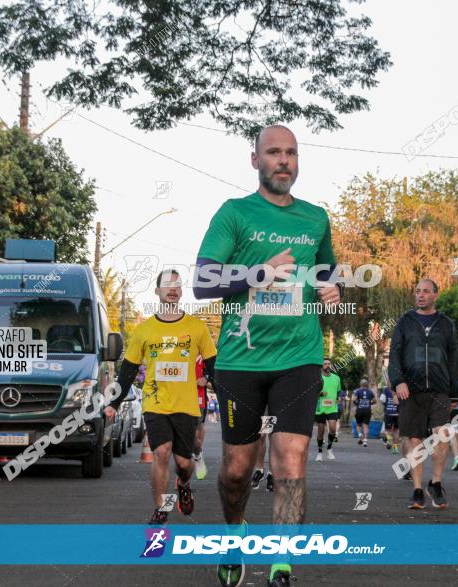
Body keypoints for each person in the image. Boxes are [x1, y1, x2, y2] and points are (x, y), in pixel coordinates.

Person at [194, 124, 343, 587]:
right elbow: (203, 282)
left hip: (299, 357)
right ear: (255, 159)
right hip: (242, 361)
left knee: (291, 458)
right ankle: (234, 534)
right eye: (274, 152)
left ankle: (281, 563)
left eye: (291, 153)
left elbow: (327, 270)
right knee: (238, 470)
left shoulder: (316, 218)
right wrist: (259, 271)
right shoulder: (234, 214)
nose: (283, 160)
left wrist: (331, 286)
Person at [105, 270, 217, 525]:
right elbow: (128, 371)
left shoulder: (196, 327)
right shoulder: (145, 330)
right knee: (161, 453)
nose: (173, 288)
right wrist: (114, 402)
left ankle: (184, 484)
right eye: (167, 284)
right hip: (155, 402)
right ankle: (162, 508)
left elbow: (213, 367)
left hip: (187, 405)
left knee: (183, 462)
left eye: (177, 284)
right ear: (157, 291)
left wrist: (227, 397)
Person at [388, 278, 458, 510]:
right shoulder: (405, 322)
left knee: (442, 436)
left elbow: (453, 359)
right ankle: (417, 489)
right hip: (411, 389)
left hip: (439, 389)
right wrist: (398, 381)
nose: (420, 295)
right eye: (418, 291)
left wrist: (455, 393)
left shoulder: (446, 324)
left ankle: (436, 483)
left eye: (426, 291)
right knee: (415, 440)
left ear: (435, 295)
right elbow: (395, 354)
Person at [314, 358, 340, 461]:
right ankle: (319, 452)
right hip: (320, 408)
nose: (327, 365)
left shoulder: (336, 378)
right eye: (325, 364)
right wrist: (320, 394)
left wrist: (339, 398)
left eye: (329, 364)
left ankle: (329, 449)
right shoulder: (317, 378)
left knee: (333, 429)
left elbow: (338, 392)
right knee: (320, 431)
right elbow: (311, 392)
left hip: (332, 408)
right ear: (322, 366)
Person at [193, 354, 213, 480]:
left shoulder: (204, 356)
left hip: (198, 398)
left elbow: (212, 371)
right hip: (178, 398)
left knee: (198, 426)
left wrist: (206, 378)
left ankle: (197, 454)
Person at [352, 378, 376, 446]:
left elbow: (354, 399)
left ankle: (360, 436)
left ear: (360, 384)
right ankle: (365, 440)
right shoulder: (370, 392)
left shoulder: (358, 391)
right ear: (367, 384)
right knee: (366, 425)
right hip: (367, 410)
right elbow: (375, 401)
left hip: (359, 410)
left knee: (358, 424)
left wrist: (356, 403)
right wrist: (369, 403)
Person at [380, 384, 399, 454]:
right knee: (396, 431)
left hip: (389, 413)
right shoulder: (399, 387)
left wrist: (385, 404)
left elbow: (382, 399)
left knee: (387, 430)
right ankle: (396, 449)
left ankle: (389, 441)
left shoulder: (386, 390)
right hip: (398, 413)